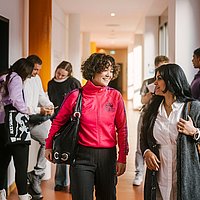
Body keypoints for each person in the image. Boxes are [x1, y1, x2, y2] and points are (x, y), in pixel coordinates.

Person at [45, 53, 129, 200]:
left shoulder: (115, 96)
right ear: (93, 70)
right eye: (105, 70)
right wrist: (48, 145)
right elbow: (58, 122)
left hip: (107, 157)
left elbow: (122, 128)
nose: (109, 74)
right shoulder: (75, 95)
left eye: (111, 71)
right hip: (81, 156)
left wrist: (122, 157)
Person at [140, 63, 200, 200]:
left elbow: (197, 135)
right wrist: (146, 152)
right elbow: (143, 137)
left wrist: (194, 132)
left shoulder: (193, 108)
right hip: (158, 174)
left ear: (172, 80)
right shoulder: (152, 109)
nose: (155, 82)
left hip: (185, 173)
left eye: (159, 78)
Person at [0, 58, 34, 200]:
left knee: (2, 161)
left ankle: (1, 192)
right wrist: (27, 110)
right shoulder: (16, 77)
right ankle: (23, 194)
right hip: (15, 125)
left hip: (2, 124)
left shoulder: (3, 77)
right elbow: (15, 98)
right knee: (21, 163)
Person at [133, 55, 169, 186]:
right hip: (147, 114)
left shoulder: (169, 82)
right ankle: (139, 172)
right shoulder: (148, 82)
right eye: (160, 67)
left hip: (161, 114)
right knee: (140, 144)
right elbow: (142, 101)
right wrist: (151, 94)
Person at [23, 55, 54, 199]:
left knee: (50, 141)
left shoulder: (36, 78)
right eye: (35, 69)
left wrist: (48, 105)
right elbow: (24, 106)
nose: (37, 72)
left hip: (35, 119)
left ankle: (36, 174)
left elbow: (41, 94)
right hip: (23, 121)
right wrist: (39, 110)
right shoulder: (21, 80)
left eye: (38, 69)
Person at [47, 61, 81, 191]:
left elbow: (79, 101)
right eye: (58, 73)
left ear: (69, 74)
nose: (59, 76)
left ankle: (75, 184)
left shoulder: (74, 83)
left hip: (72, 121)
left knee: (73, 152)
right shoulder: (51, 83)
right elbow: (50, 100)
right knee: (59, 150)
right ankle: (60, 182)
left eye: (63, 75)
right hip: (57, 120)